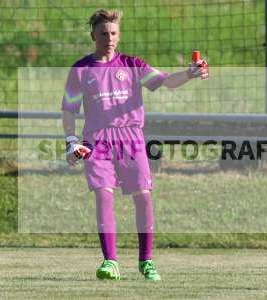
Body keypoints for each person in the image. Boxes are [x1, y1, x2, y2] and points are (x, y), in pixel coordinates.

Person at [61, 9, 208, 281]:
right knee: (103, 194)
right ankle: (111, 262)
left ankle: (146, 261)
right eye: (104, 33)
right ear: (93, 35)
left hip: (131, 138)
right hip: (97, 140)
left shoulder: (131, 65)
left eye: (114, 33)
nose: (109, 38)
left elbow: (166, 82)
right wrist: (71, 141)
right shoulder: (81, 69)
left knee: (143, 196)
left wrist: (189, 74)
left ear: (119, 34)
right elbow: (69, 109)